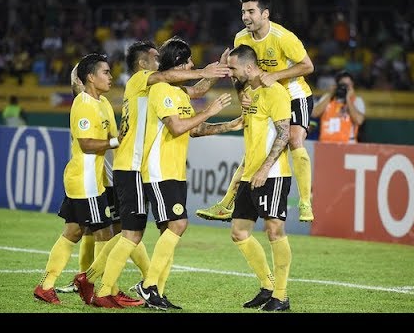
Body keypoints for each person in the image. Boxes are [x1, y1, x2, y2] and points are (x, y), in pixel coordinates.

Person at [73, 40, 232, 309]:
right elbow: (173, 77)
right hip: (132, 166)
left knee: (129, 233)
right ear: (143, 63)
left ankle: (93, 280)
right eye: (156, 57)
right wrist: (205, 70)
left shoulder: (158, 87)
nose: (160, 61)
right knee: (133, 235)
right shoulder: (140, 80)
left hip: (136, 166)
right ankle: (108, 288)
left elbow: (192, 90)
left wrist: (217, 70)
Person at [128, 36, 241, 310]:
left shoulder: (178, 93)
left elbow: (195, 127)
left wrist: (231, 124)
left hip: (174, 171)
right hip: (158, 169)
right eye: (188, 61)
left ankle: (155, 293)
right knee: (178, 225)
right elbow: (178, 128)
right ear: (179, 63)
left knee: (172, 227)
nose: (192, 65)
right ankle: (148, 285)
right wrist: (209, 110)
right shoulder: (161, 90)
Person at [196, 0, 315, 223]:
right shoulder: (241, 38)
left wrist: (276, 75)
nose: (245, 17)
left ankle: (305, 202)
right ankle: (226, 203)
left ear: (265, 14)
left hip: (294, 94)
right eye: (243, 12)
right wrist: (242, 97)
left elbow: (307, 66)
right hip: (264, 97)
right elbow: (235, 71)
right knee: (255, 149)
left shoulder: (283, 37)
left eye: (251, 11)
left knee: (293, 138)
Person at [33, 53, 125, 306]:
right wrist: (118, 141)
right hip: (85, 182)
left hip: (93, 179)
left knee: (73, 231)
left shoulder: (104, 103)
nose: (111, 76)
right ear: (91, 78)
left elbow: (115, 139)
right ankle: (97, 287)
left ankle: (46, 286)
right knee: (106, 234)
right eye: (105, 72)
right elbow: (86, 144)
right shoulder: (83, 104)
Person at [228, 44, 293, 311]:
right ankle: (267, 286)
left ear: (249, 66)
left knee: (274, 231)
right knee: (239, 232)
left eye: (233, 68)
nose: (231, 72)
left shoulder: (274, 91)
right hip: (249, 174)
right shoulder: (249, 92)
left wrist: (265, 168)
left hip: (272, 173)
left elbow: (284, 133)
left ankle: (281, 295)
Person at [311, 70, 366, 143]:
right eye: (342, 85)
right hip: (326, 143)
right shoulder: (328, 98)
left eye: (348, 85)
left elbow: (359, 120)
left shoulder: (357, 100)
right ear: (337, 85)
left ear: (352, 86)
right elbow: (314, 113)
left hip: (347, 143)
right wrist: (331, 94)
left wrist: (348, 99)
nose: (345, 88)